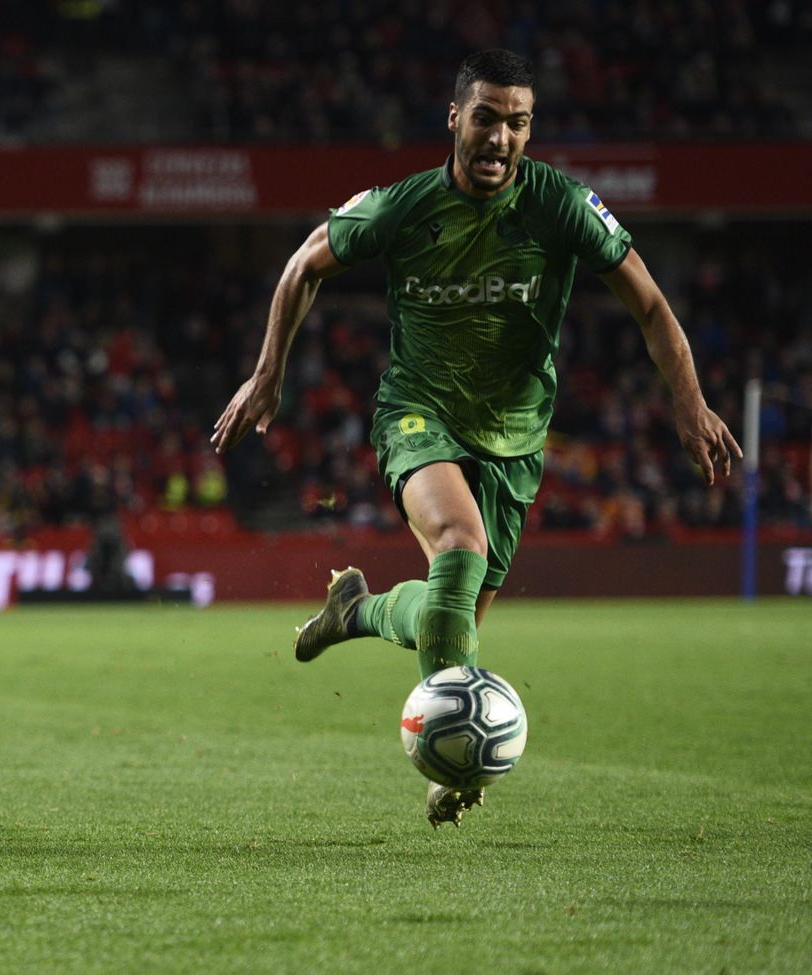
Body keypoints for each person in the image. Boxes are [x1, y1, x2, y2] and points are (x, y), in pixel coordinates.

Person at [210, 50, 740, 828]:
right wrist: (268, 375)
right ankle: (454, 766)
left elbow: (652, 306)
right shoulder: (404, 206)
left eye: (517, 121)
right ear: (455, 119)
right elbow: (301, 267)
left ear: (531, 130)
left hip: (517, 442)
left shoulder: (560, 204)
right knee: (459, 544)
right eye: (486, 116)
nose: (500, 136)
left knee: (445, 612)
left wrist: (690, 404)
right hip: (418, 413)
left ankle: (354, 611)